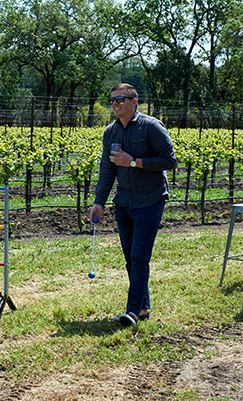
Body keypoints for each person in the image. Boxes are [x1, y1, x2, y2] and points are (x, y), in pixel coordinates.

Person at [89, 83, 177, 327]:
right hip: (124, 202)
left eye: (120, 99)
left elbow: (170, 160)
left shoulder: (151, 127)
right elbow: (107, 171)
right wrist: (99, 203)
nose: (115, 104)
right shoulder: (110, 132)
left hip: (150, 200)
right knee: (130, 258)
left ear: (134, 101)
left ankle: (132, 312)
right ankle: (143, 308)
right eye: (112, 100)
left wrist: (134, 162)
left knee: (139, 256)